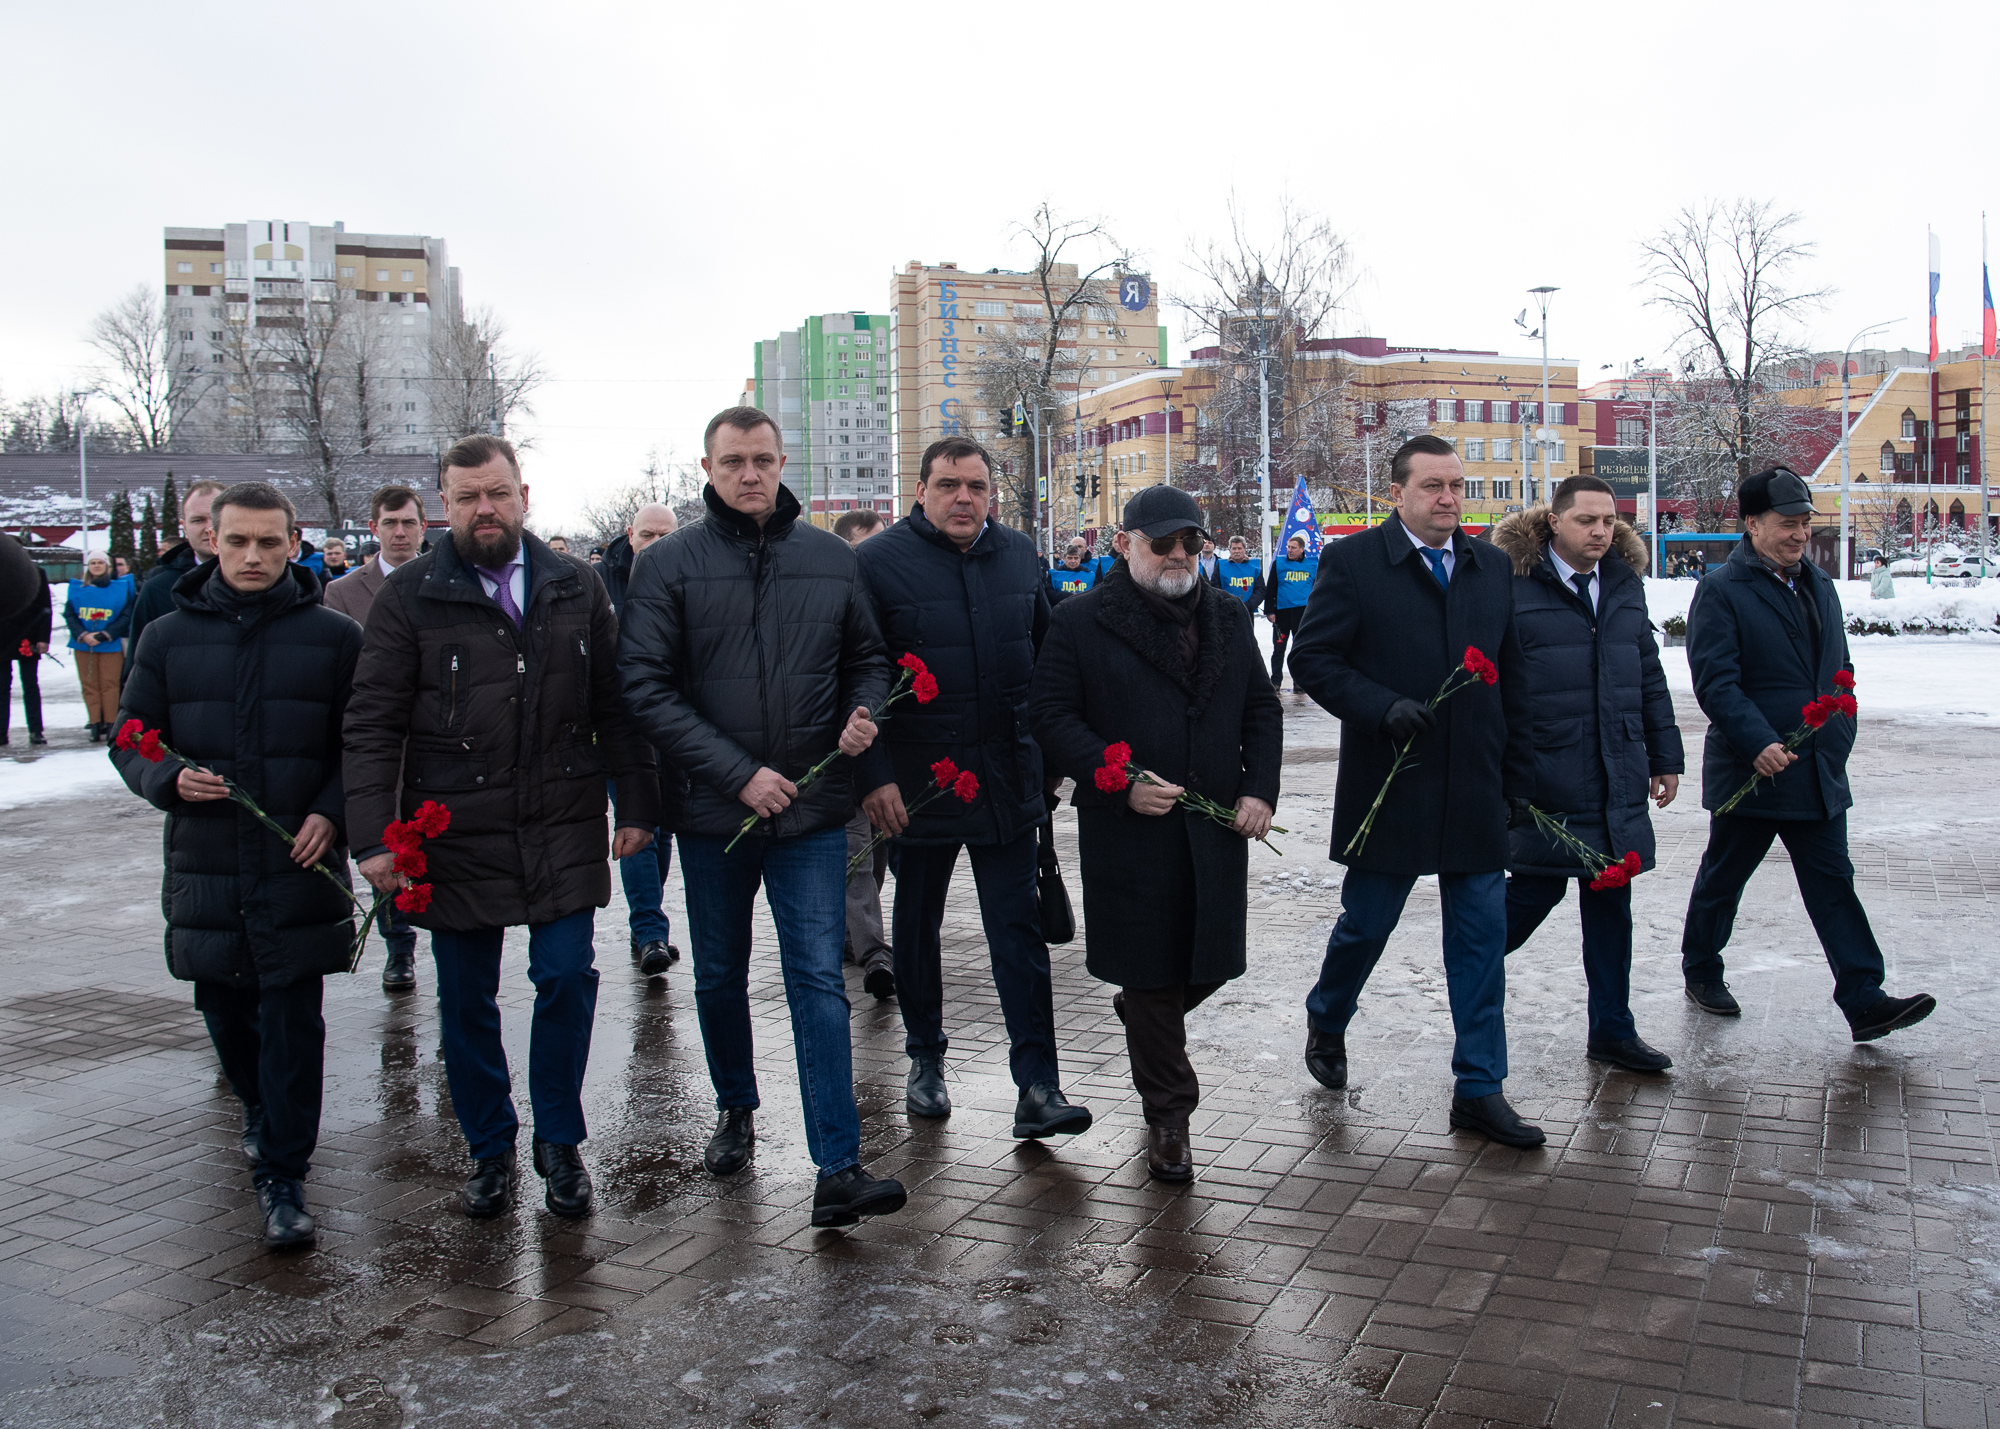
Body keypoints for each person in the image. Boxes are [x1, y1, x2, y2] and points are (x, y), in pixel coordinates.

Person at [344, 434, 661, 1221]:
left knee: (566, 976)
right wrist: (372, 834)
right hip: (455, 826)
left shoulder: (575, 585)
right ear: (444, 505)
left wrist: (638, 802)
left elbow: (615, 703)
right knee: (465, 1000)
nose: (484, 508)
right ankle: (489, 1147)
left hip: (561, 813)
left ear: (524, 494)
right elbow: (373, 721)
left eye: (497, 492)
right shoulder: (410, 595)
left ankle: (559, 1139)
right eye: (466, 497)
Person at [619, 406, 907, 1230]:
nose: (750, 473)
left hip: (813, 812)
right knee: (719, 973)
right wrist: (737, 774)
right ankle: (736, 1105)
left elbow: (868, 656)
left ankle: (838, 1165)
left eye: (763, 459)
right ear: (707, 468)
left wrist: (862, 710)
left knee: (817, 977)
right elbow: (644, 686)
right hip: (715, 815)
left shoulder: (829, 557)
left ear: (783, 463)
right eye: (733, 461)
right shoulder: (667, 564)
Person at [111, 481, 362, 1249]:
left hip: (296, 860)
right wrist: (165, 777)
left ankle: (284, 1174)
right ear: (211, 542)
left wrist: (331, 811)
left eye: (268, 541)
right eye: (238, 541)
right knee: (224, 1009)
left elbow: (361, 743)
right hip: (209, 862)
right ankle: (257, 1108)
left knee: (292, 1020)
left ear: (294, 543)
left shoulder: (333, 637)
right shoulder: (167, 637)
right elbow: (130, 735)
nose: (253, 555)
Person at [1287, 434, 1541, 1147]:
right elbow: (1313, 658)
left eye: (1456, 485)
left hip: (1475, 784)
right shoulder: (1354, 562)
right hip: (1392, 782)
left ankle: (1480, 1088)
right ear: (1397, 493)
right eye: (1433, 486)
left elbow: (1513, 678)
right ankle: (1328, 1013)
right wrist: (1379, 706)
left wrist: (1519, 779)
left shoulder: (1491, 565)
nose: (1448, 498)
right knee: (1367, 924)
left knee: (1481, 940)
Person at [1029, 485, 1282, 1180]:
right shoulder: (1080, 620)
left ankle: (1144, 1011)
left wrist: (1259, 788)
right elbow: (1050, 715)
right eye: (1162, 542)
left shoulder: (1228, 613)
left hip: (1213, 823)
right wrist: (1118, 781)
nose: (1178, 555)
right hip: (1129, 832)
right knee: (1148, 967)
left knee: (1211, 961)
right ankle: (1170, 1117)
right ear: (1124, 544)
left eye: (1190, 542)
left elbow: (1261, 710)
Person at [856, 436, 1092, 1139]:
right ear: (920, 491)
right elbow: (860, 673)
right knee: (916, 927)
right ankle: (925, 1058)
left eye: (977, 487)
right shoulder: (876, 563)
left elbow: (1051, 660)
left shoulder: (1019, 555)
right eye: (949, 485)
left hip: (1007, 778)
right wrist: (874, 776)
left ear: (991, 493)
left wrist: (1053, 758)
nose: (964, 498)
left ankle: (1038, 1084)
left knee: (1018, 932)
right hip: (920, 785)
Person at [1679, 467, 1934, 1041]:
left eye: (1804, 523)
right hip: (1755, 771)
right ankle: (1702, 969)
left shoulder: (1819, 583)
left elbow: (1839, 668)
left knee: (1833, 883)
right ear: (1752, 524)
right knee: (1724, 877)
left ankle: (1864, 999)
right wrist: (1757, 742)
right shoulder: (1722, 589)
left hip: (1818, 770)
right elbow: (1716, 683)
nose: (1800, 534)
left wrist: (1842, 724)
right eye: (1787, 524)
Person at [1491, 478, 1684, 1073]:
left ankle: (1613, 1031)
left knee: (1611, 905)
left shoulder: (1623, 583)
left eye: (1609, 521)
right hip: (1544, 772)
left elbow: (1647, 673)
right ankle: (1469, 974)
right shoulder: (1512, 582)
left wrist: (1665, 755)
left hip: (1615, 771)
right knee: (1532, 892)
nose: (1601, 531)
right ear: (1554, 522)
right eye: (1586, 520)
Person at [323, 484, 432, 992]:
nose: (400, 532)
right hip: (380, 742)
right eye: (390, 523)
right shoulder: (343, 594)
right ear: (374, 528)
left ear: (424, 527)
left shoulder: (446, 580)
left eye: (409, 523)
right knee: (385, 845)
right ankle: (398, 947)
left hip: (436, 742)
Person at [598, 501, 685, 978]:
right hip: (622, 730)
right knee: (636, 826)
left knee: (663, 829)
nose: (655, 544)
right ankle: (650, 929)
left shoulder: (688, 576)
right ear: (630, 536)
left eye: (664, 536)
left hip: (672, 727)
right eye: (647, 535)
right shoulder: (601, 583)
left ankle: (647, 923)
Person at [833, 510, 895, 1001]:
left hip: (884, 752)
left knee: (875, 856)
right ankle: (875, 954)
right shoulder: (835, 596)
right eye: (869, 545)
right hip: (841, 754)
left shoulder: (888, 599)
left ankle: (850, 936)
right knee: (856, 856)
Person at [128, 478, 224, 661]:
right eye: (198, 520)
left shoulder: (263, 584)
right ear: (184, 527)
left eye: (216, 518)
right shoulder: (156, 591)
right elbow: (137, 667)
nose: (209, 528)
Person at [64, 552, 134, 740]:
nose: (96, 566)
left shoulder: (120, 588)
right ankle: (94, 723)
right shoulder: (77, 589)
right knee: (89, 684)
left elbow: (126, 615)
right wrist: (83, 634)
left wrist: (104, 635)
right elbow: (70, 614)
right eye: (92, 563)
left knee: (110, 685)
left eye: (100, 562)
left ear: (107, 566)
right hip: (84, 644)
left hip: (109, 644)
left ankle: (111, 723)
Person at [1, 564, 51, 746]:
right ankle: (1, 732)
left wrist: (43, 638)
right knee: (1, 687)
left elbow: (45, 606)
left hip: (28, 636)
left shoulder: (35, 572)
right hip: (2, 638)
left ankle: (36, 730)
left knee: (30, 685)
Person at [1261, 532, 1317, 688]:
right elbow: (1271, 588)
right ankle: (1276, 681)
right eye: (1288, 547)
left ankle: (1299, 681)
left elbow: (1317, 589)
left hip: (1303, 613)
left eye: (1293, 548)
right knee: (1279, 649)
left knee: (1299, 649)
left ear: (1302, 549)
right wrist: (1269, 611)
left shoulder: (1312, 565)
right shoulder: (1279, 564)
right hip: (1282, 614)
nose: (1290, 550)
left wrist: (1315, 612)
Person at [1214, 536, 1264, 610]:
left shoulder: (1254, 567)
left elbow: (1260, 590)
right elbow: (1215, 587)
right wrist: (1225, 604)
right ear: (1230, 550)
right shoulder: (1221, 566)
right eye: (1234, 548)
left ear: (1244, 550)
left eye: (1239, 548)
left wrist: (1248, 606)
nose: (1237, 551)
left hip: (1248, 610)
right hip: (1226, 610)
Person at [1048, 539, 1096, 604]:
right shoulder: (1054, 574)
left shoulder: (1090, 575)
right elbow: (1049, 594)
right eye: (1070, 558)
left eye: (1076, 558)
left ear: (1080, 558)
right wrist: (1068, 596)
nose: (1073, 561)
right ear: (1064, 559)